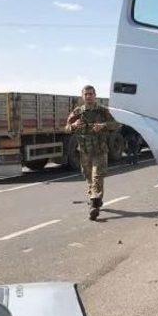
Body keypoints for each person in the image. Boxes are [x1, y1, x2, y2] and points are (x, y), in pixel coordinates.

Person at [66, 85, 119, 220]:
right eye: (86, 94)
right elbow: (66, 128)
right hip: (84, 151)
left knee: (97, 175)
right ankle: (96, 198)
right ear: (82, 96)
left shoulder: (103, 111)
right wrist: (73, 126)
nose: (89, 96)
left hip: (100, 150)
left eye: (91, 94)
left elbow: (117, 124)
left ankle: (94, 204)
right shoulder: (77, 112)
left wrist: (104, 126)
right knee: (89, 176)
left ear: (95, 95)